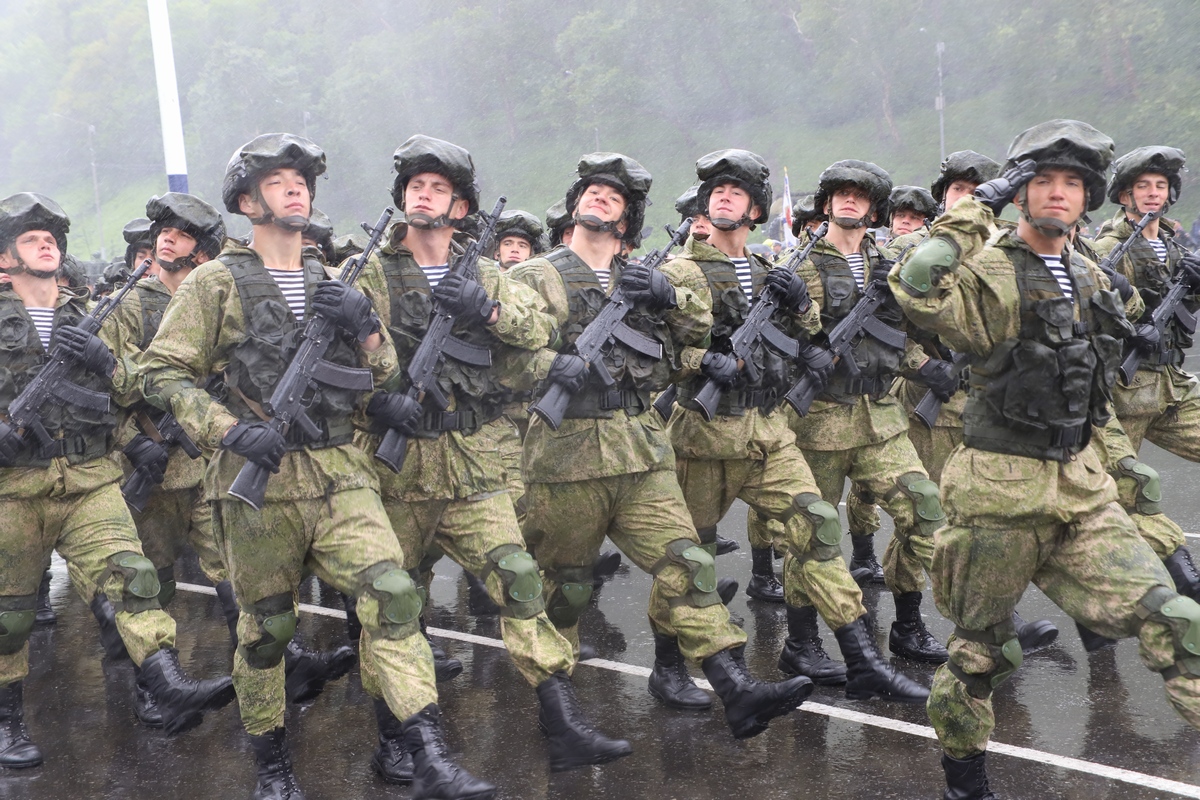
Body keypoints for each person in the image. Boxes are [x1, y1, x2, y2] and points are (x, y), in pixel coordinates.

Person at [141, 133, 491, 799]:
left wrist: (364, 327)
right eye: (278, 180)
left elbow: (384, 374)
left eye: (301, 180)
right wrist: (229, 430)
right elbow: (159, 372)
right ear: (247, 200)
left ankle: (428, 757)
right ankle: (272, 768)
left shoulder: (332, 280)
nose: (295, 187)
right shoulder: (215, 282)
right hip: (260, 486)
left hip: (341, 473)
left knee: (393, 595)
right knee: (268, 630)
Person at [893, 118, 1200, 799]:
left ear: (1089, 195)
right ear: (1022, 189)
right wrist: (980, 204)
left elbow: (1105, 383)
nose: (1057, 193)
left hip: (1082, 490)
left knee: (1177, 622)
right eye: (1042, 180)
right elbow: (916, 284)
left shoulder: (1093, 277)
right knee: (979, 655)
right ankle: (965, 782)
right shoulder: (988, 271)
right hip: (998, 498)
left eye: (1072, 183)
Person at [511, 152, 813, 743]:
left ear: (628, 219)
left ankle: (735, 688)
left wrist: (665, 296)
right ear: (575, 204)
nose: (600, 197)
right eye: (592, 191)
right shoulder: (536, 276)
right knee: (567, 589)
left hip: (641, 449)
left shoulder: (646, 275)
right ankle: (559, 714)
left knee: (690, 563)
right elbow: (507, 354)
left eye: (614, 195)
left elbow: (692, 343)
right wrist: (553, 365)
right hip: (566, 456)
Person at [358, 134, 628, 780]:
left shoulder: (480, 271)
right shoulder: (372, 272)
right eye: (416, 187)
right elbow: (338, 356)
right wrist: (378, 400)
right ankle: (394, 738)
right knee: (396, 603)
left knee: (522, 580)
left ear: (460, 208)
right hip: (398, 468)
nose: (425, 197)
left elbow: (535, 331)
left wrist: (490, 307)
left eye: (439, 190)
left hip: (475, 465)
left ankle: (560, 721)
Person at [665, 149, 927, 704]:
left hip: (769, 429)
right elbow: (662, 352)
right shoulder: (679, 271)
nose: (725, 198)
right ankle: (670, 665)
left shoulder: (766, 272)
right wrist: (698, 363)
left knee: (815, 526)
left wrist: (800, 308)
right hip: (709, 433)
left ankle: (861, 658)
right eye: (717, 192)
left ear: (757, 210)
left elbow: (802, 334)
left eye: (737, 192)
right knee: (691, 552)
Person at [0, 192, 236, 769]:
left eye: (51, 235)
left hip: (89, 481)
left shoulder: (89, 317)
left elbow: (139, 388)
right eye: (31, 237)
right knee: (10, 615)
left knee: (134, 579)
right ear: (4, 258)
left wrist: (107, 364)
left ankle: (166, 681)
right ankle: (7, 722)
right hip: (13, 489)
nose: (46, 242)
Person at [782, 160, 950, 664]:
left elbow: (894, 338)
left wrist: (926, 367)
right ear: (827, 204)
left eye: (859, 196)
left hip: (880, 418)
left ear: (873, 208)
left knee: (923, 509)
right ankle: (801, 640)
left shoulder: (886, 265)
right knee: (811, 532)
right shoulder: (800, 264)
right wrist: (802, 349)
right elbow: (778, 333)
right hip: (820, 420)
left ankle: (908, 624)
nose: (849, 201)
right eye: (840, 194)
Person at [1090, 146, 1200, 600]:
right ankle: (1178, 575)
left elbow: (1183, 318)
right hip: (1124, 391)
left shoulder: (1175, 244)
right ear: (1124, 195)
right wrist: (1132, 326)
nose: (1153, 194)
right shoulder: (1106, 248)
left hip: (1172, 386)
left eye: (1160, 186)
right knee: (1127, 492)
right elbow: (1089, 309)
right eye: (1143, 187)